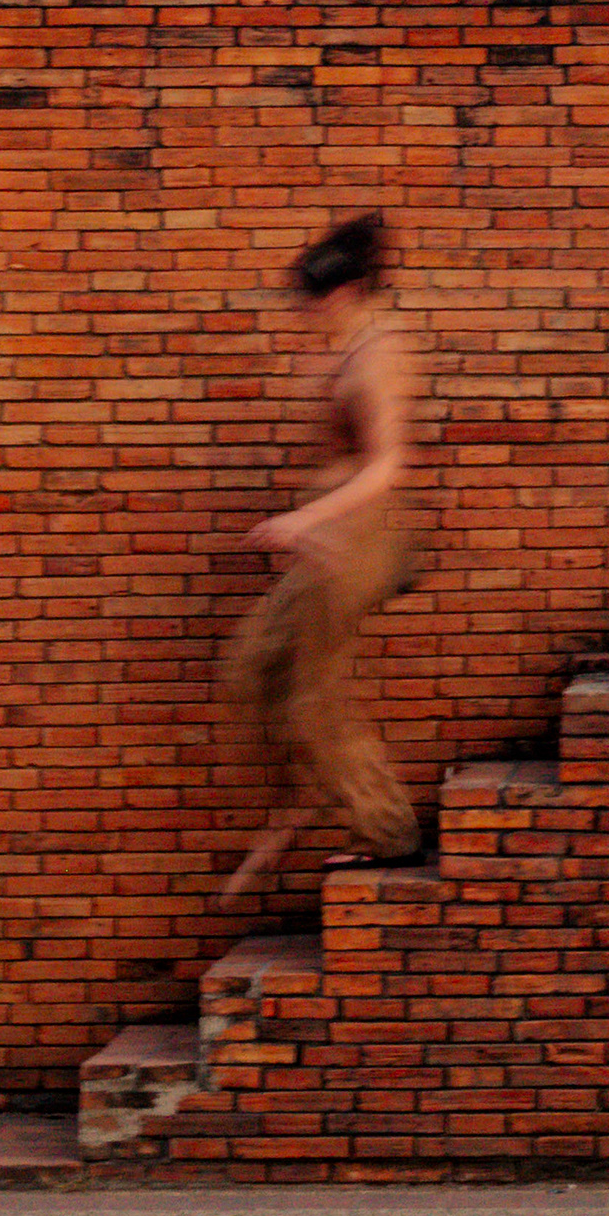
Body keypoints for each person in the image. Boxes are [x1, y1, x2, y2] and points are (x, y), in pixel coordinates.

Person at [217, 211, 423, 913]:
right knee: (250, 666)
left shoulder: (378, 355)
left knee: (313, 699)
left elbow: (388, 465)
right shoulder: (349, 347)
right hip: (327, 544)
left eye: (315, 300)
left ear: (347, 290)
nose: (307, 314)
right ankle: (305, 792)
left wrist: (303, 518)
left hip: (356, 545)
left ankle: (388, 831)